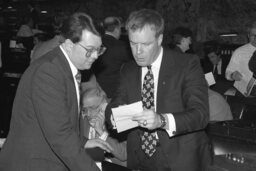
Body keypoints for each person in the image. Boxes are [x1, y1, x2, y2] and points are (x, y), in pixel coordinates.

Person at [0, 12, 112, 171]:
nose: (95, 56)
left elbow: (56, 121)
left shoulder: (62, 66)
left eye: (99, 49)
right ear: (68, 45)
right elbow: (60, 136)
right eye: (89, 49)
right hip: (33, 163)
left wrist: (83, 141)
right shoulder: (49, 72)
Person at [105, 9, 212, 171]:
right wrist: (113, 116)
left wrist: (161, 120)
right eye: (133, 44)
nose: (138, 52)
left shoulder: (186, 64)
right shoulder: (128, 69)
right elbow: (116, 103)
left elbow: (200, 114)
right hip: (140, 157)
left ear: (159, 39)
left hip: (180, 157)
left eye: (145, 44)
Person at [80, 87, 127, 167]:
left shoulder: (117, 120)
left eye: (92, 108)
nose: (88, 114)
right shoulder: (82, 121)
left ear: (104, 105)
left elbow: (123, 154)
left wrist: (101, 132)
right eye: (85, 109)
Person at [93, 16, 133, 99]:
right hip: (116, 94)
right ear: (117, 29)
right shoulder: (122, 47)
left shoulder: (95, 44)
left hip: (97, 92)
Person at [225, 21, 256, 92]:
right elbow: (228, 73)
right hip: (245, 94)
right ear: (248, 36)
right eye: (252, 35)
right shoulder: (239, 52)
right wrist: (232, 75)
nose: (255, 38)